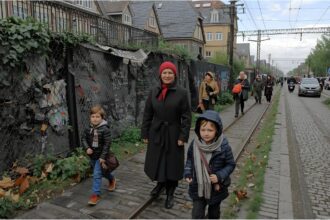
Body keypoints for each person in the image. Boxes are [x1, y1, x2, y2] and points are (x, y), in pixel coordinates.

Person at [141, 61, 192, 209]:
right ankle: (160, 184)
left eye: (170, 73)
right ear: (160, 75)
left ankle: (170, 192)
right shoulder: (154, 91)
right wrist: (145, 132)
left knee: (172, 163)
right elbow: (147, 114)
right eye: (165, 72)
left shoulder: (181, 93)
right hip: (156, 132)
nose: (167, 75)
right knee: (158, 160)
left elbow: (186, 117)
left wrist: (183, 136)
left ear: (174, 75)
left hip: (174, 133)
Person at [184, 110, 236, 219]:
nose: (206, 133)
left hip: (216, 189)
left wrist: (220, 176)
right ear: (198, 130)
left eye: (210, 130)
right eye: (203, 129)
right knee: (197, 214)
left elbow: (230, 164)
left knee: (214, 214)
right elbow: (189, 159)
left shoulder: (224, 146)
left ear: (217, 130)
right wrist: (188, 172)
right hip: (198, 187)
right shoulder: (195, 144)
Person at [81, 105, 114, 206]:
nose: (95, 119)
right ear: (90, 117)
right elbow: (83, 139)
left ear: (102, 118)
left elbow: (107, 144)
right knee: (102, 173)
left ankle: (96, 195)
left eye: (97, 117)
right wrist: (87, 148)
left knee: (96, 175)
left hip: (101, 156)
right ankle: (111, 178)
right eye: (93, 116)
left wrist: (102, 157)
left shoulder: (105, 129)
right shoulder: (88, 128)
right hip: (92, 156)